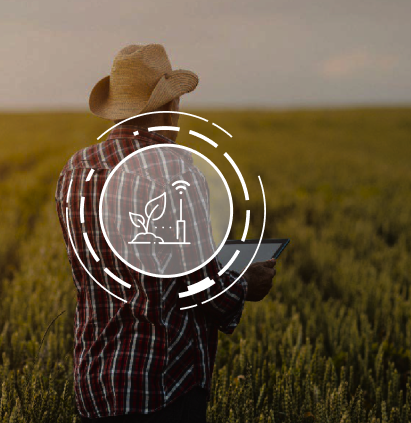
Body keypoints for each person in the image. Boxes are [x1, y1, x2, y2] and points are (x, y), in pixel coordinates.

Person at [55, 44, 276, 423]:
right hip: (161, 384)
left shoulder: (76, 169)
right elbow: (198, 284)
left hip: (94, 380)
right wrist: (245, 285)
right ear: (167, 107)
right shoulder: (173, 171)